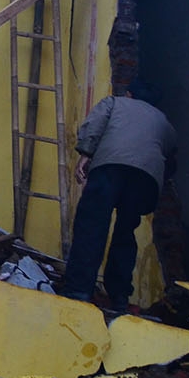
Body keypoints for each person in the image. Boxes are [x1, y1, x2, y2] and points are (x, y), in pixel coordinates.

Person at [60, 80, 176, 311]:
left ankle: (78, 290)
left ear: (130, 94)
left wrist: (85, 153)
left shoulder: (114, 102)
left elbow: (95, 125)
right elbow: (171, 157)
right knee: (125, 232)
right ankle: (120, 296)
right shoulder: (164, 121)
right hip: (145, 179)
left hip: (109, 166)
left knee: (92, 226)